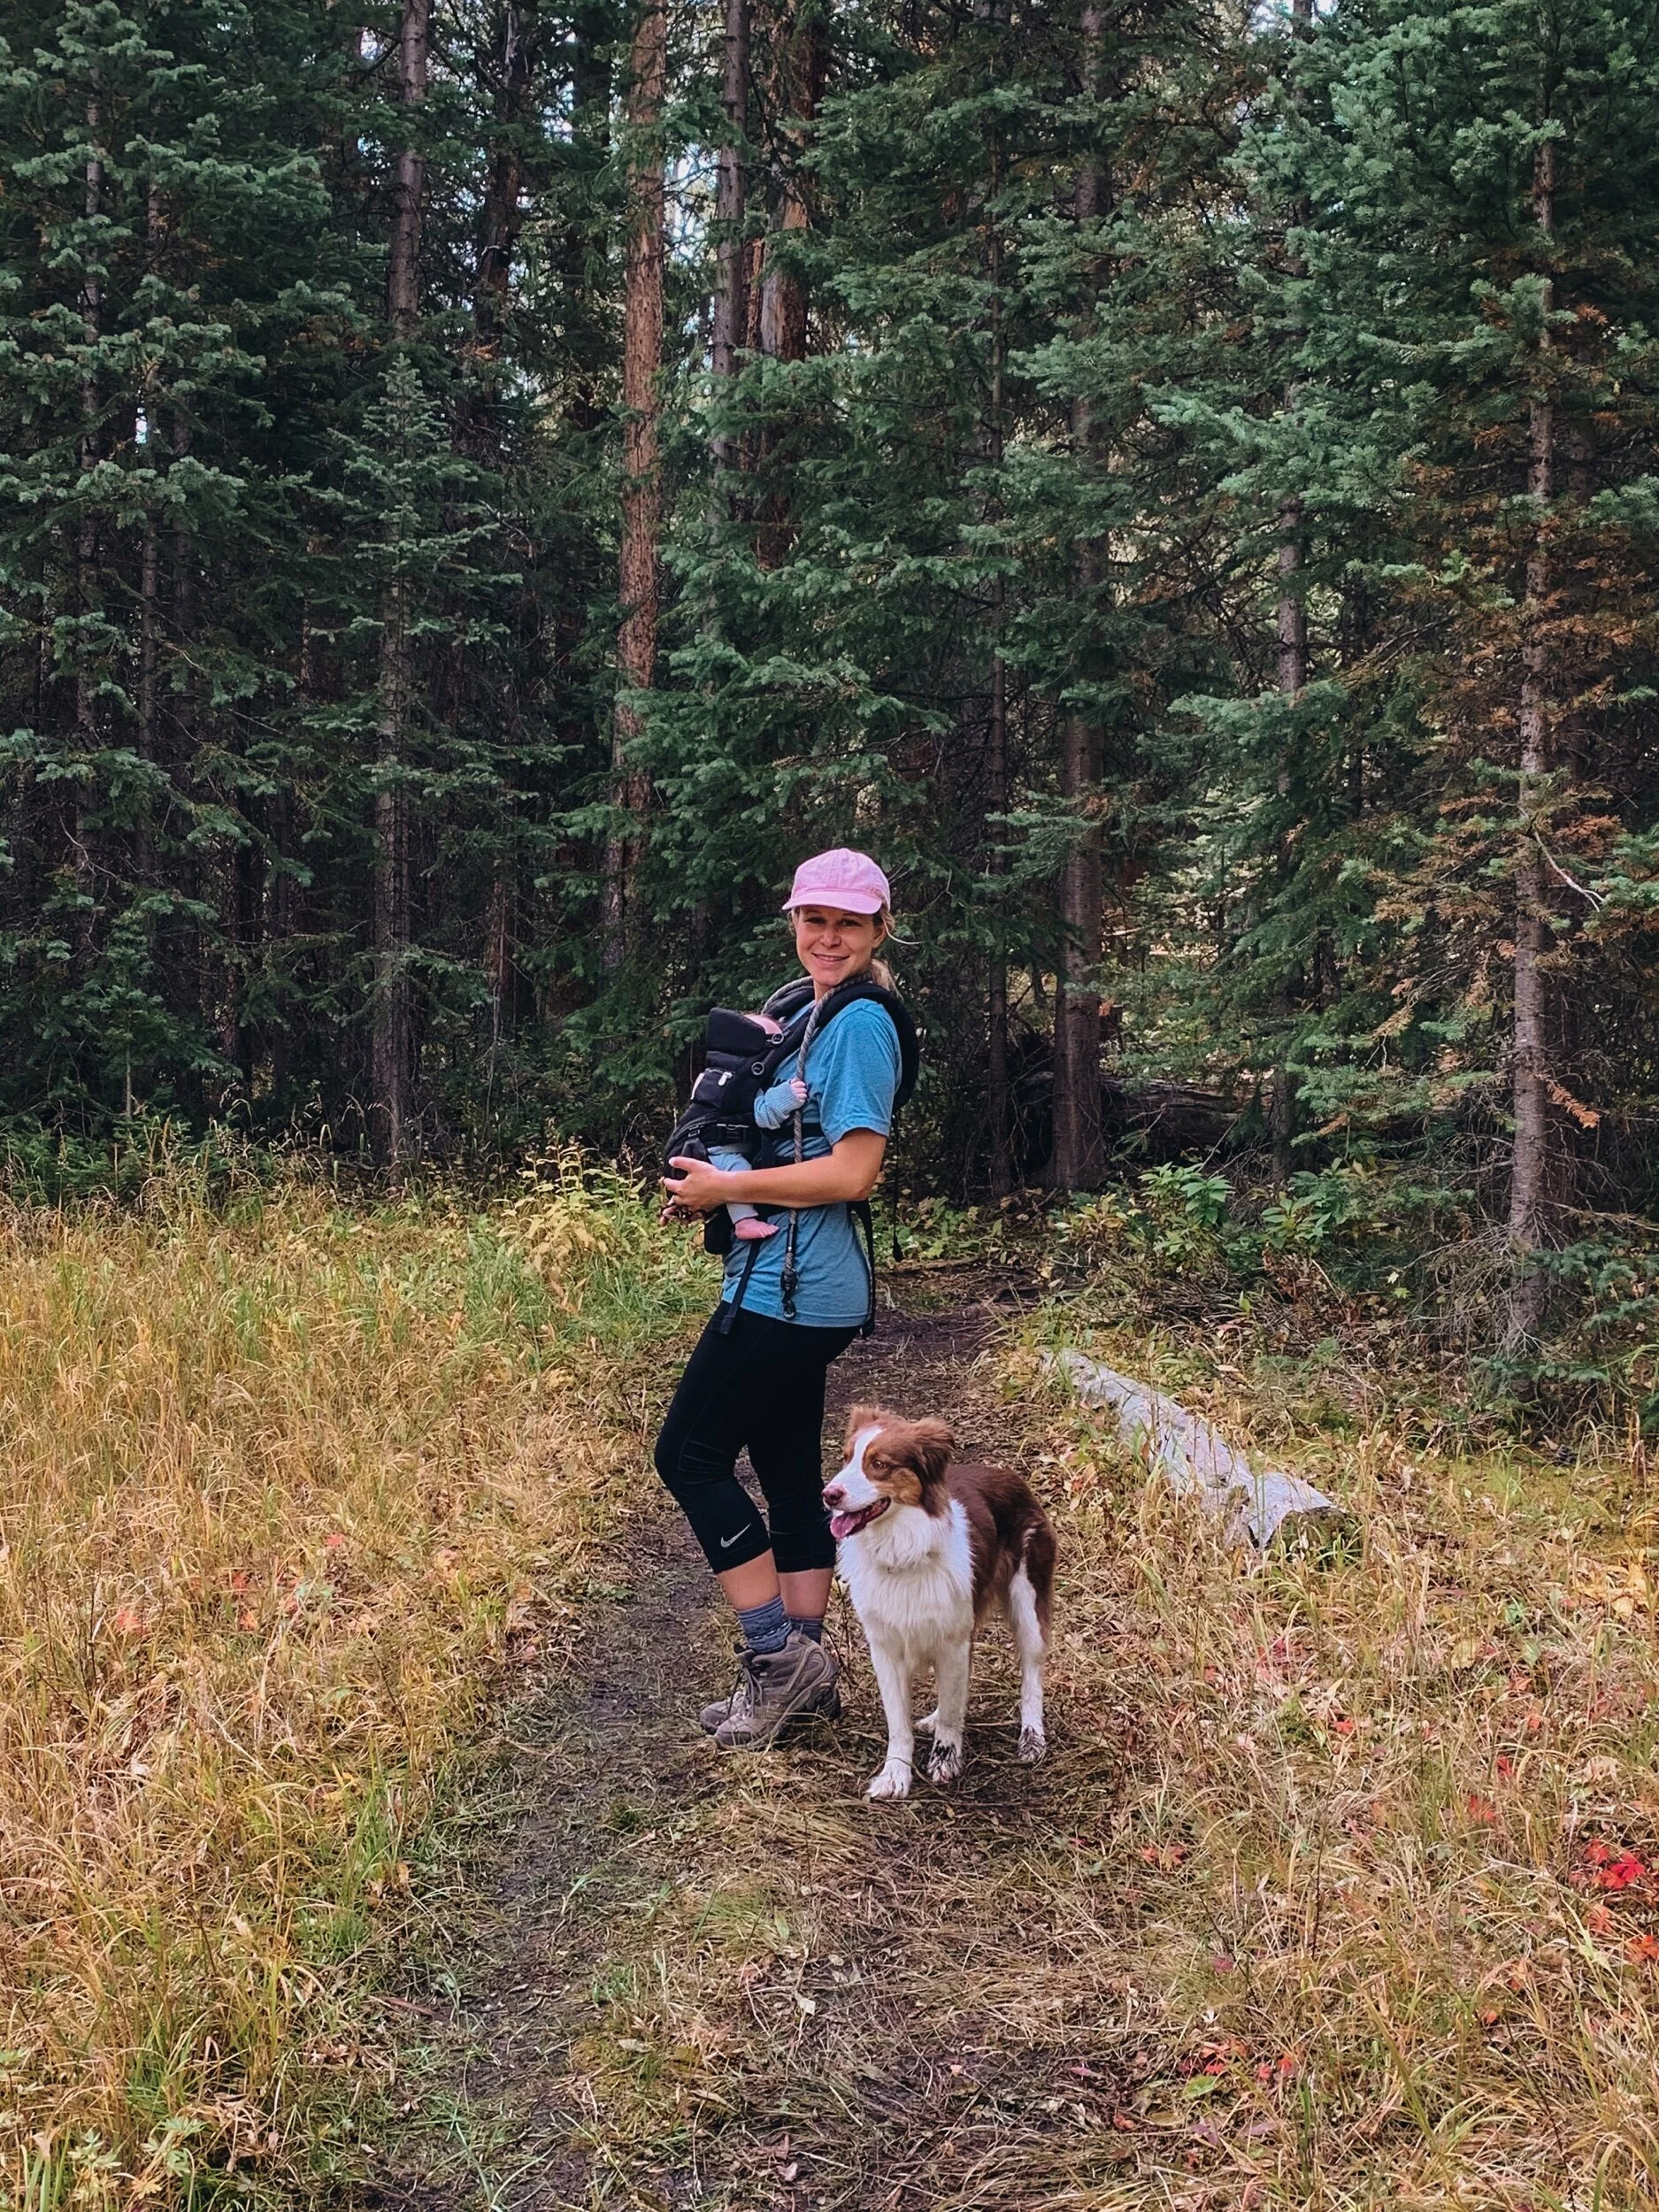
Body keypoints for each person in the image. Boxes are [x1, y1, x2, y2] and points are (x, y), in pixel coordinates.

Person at [655, 849, 905, 1749]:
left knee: (687, 1455)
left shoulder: (861, 1024)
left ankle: (776, 1658)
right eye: (814, 919)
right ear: (795, 922)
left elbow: (854, 1169)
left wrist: (729, 1194)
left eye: (848, 921)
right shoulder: (811, 1011)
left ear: (879, 927)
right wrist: (709, 1187)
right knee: (793, 1473)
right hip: (791, 1280)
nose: (828, 936)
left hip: (794, 1289)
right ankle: (802, 1670)